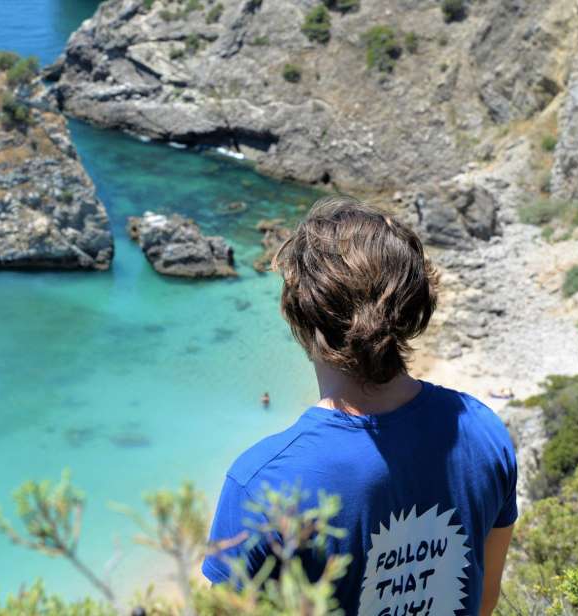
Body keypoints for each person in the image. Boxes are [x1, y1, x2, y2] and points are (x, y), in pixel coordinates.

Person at [202, 195, 517, 616]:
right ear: (414, 306)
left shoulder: (264, 485)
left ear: (302, 316)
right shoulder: (483, 432)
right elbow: (483, 600)